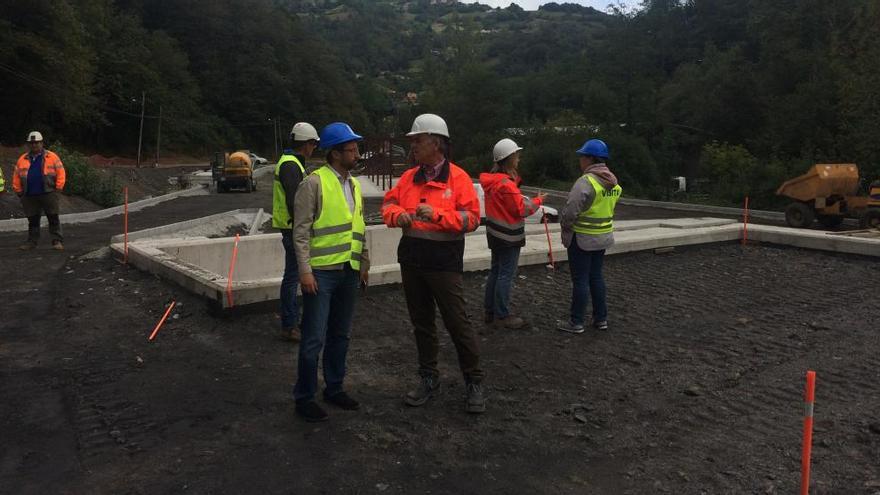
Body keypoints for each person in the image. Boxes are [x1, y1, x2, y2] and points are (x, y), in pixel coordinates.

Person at [381, 113, 485, 414]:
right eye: (413, 141)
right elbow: (389, 203)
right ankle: (428, 378)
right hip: (412, 260)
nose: (413, 146)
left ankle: (474, 381)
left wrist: (438, 216)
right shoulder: (408, 178)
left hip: (444, 264)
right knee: (422, 324)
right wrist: (395, 215)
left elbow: (472, 219)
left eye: (418, 140)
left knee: (457, 323)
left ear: (437, 143)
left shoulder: (459, 179)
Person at [292, 122, 369, 422]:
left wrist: (364, 263)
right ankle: (304, 396)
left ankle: (334, 387)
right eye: (352, 149)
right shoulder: (313, 183)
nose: (357, 154)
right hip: (321, 274)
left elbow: (359, 227)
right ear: (336, 153)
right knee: (313, 338)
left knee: (341, 335)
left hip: (349, 272)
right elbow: (301, 232)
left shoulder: (355, 185)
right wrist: (305, 271)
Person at [479, 138, 546, 329]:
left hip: (495, 234)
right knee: (505, 274)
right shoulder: (506, 185)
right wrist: (539, 201)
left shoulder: (494, 182)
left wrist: (514, 178)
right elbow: (521, 209)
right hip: (508, 236)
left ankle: (490, 311)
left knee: (496, 271)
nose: (519, 159)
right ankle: (502, 315)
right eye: (516, 156)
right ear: (508, 159)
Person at [557, 139, 621, 334]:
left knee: (581, 280)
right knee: (596, 277)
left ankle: (576, 322)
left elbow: (570, 213)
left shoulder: (586, 182)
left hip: (582, 240)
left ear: (590, 159)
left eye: (582, 156)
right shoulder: (613, 183)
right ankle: (601, 319)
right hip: (602, 238)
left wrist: (565, 227)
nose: (580, 160)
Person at [273, 122, 320, 342]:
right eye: (314, 144)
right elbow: (295, 202)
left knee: (292, 277)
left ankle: (291, 323)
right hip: (293, 228)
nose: (314, 149)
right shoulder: (291, 166)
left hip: (291, 227)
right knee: (292, 278)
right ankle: (290, 326)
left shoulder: (291, 163)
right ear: (308, 144)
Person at [12, 131, 66, 250]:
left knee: (53, 217)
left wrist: (59, 187)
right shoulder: (22, 159)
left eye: (36, 143)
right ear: (28, 144)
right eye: (31, 143)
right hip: (29, 194)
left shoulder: (51, 157)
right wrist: (18, 190)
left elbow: (61, 172)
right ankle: (32, 242)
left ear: (42, 143)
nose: (34, 145)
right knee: (33, 219)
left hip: (49, 192)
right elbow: (16, 175)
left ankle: (57, 241)